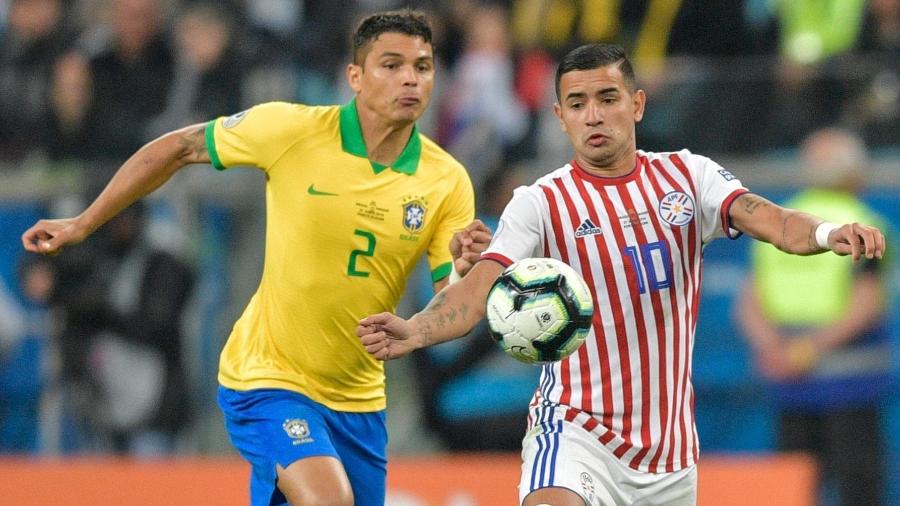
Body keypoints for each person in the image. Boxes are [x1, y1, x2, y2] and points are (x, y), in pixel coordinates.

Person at [357, 43, 886, 506]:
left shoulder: (688, 176)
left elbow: (772, 220)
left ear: (636, 105)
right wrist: (418, 329)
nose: (593, 116)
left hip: (669, 454)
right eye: (578, 104)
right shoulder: (539, 203)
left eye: (607, 99)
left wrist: (825, 233)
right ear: (560, 116)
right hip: (573, 428)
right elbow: (477, 293)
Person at [22, 9, 489, 506]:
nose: (410, 79)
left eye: (422, 66)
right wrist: (84, 223)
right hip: (268, 379)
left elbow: (454, 303)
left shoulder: (446, 180)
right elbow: (178, 147)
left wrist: (460, 276)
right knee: (330, 501)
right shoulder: (292, 129)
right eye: (391, 65)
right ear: (354, 76)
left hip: (359, 402)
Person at [737, 128, 890, 506]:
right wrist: (808, 349)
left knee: (795, 488)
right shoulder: (865, 224)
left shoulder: (782, 223)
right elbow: (866, 306)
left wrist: (774, 349)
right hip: (849, 386)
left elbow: (748, 302)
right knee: (859, 489)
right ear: (855, 174)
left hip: (790, 384)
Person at [51, 201, 194, 456]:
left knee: (151, 484)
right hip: (102, 403)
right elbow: (52, 279)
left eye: (126, 219)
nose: (120, 227)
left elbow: (156, 322)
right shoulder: (103, 258)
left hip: (154, 405)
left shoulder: (159, 261)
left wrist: (103, 310)